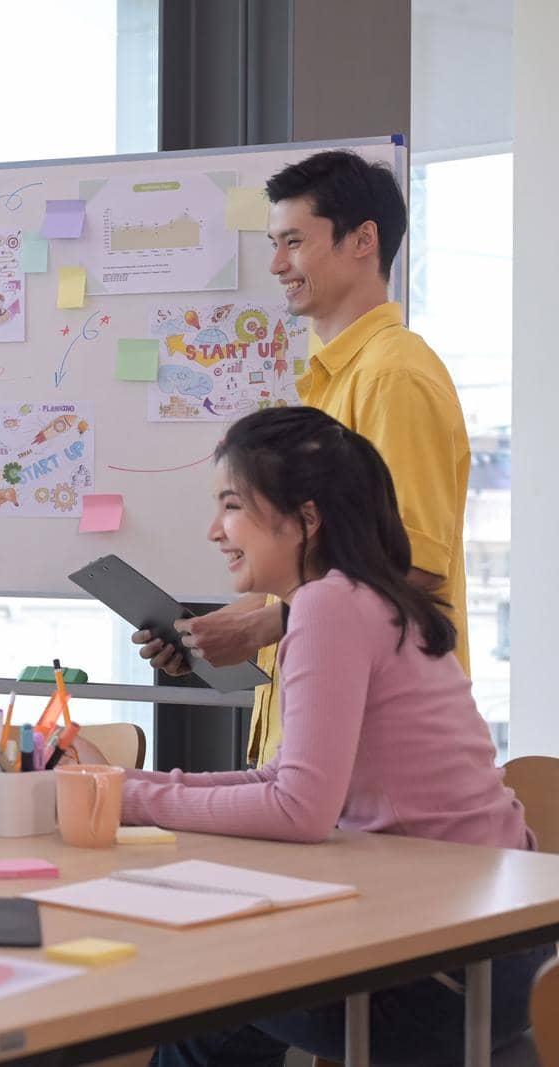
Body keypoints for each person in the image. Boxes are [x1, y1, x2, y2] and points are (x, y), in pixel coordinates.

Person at [122, 406, 547, 1066]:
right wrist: (129, 788)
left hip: (452, 973)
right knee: (211, 1015)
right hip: (503, 952)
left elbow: (298, 807)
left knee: (195, 981)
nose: (214, 530)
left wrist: (134, 798)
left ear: (307, 518)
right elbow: (288, 782)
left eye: (232, 506)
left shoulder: (329, 604)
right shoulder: (371, 599)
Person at [136, 150, 471, 767]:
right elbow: (324, 575)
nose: (276, 264)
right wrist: (211, 633)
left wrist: (262, 628)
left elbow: (413, 569)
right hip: (315, 730)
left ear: (363, 240)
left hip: (378, 747)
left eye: (294, 241)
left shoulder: (394, 378)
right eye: (273, 242)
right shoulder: (332, 382)